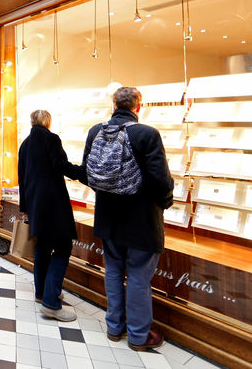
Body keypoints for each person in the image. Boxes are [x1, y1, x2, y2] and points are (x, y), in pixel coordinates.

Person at [82, 87, 173, 351]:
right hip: (141, 218)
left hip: (108, 216)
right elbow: (160, 180)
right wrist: (166, 202)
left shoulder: (95, 132)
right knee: (138, 277)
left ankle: (113, 328)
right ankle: (138, 336)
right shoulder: (147, 134)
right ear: (138, 106)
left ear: (113, 105)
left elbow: (91, 173)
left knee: (112, 272)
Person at [18, 109, 85, 322]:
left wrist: (25, 207)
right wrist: (84, 174)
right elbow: (62, 166)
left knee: (44, 247)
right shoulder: (52, 139)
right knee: (64, 247)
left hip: (35, 203)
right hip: (53, 203)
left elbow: (22, 178)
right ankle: (51, 303)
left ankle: (41, 294)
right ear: (48, 121)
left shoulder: (25, 144)